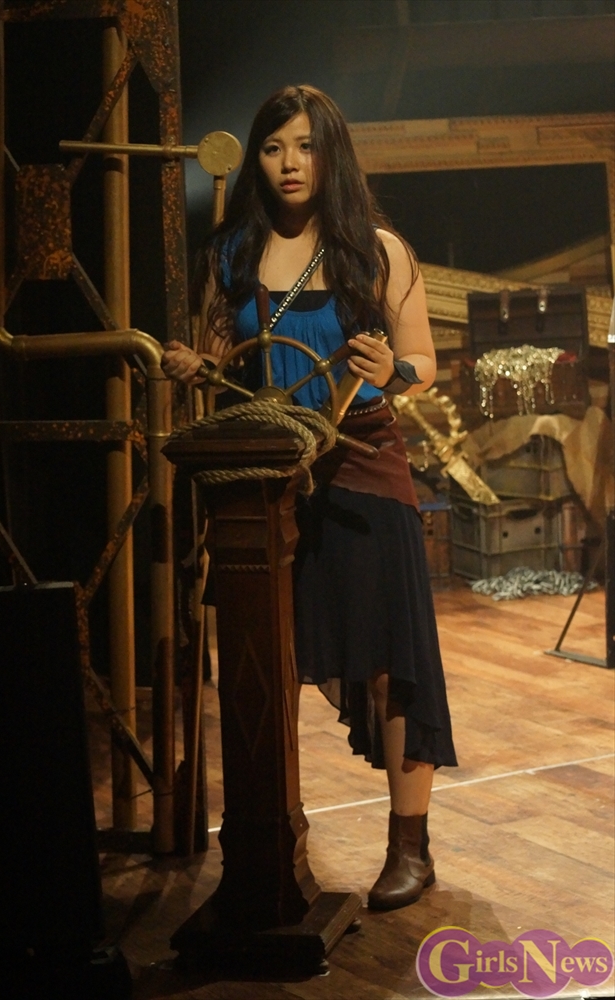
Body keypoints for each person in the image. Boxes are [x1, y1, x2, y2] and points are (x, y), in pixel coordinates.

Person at [162, 84, 457, 911]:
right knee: (270, 660)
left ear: (332, 155)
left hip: (362, 463)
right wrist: (196, 365)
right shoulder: (231, 253)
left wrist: (390, 370)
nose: (289, 164)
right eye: (272, 147)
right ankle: (268, 839)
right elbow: (219, 358)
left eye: (305, 146)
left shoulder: (377, 251)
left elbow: (421, 365)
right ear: (255, 160)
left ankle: (409, 847)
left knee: (391, 661)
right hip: (267, 474)